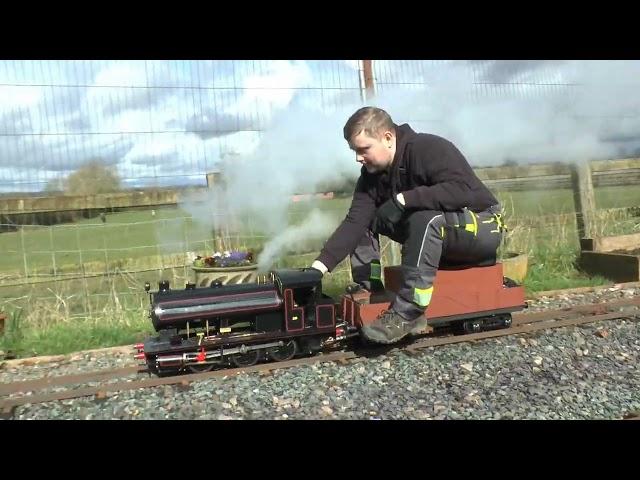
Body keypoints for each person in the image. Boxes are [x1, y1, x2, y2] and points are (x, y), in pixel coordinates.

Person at [311, 106, 506, 345]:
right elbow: (354, 223)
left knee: (425, 219)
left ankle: (408, 313)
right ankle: (370, 287)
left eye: (364, 149)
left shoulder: (429, 149)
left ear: (388, 138)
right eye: (354, 150)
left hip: (482, 227)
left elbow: (462, 191)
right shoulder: (371, 177)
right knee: (367, 221)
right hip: (440, 236)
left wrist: (405, 199)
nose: (358, 158)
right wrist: (317, 269)